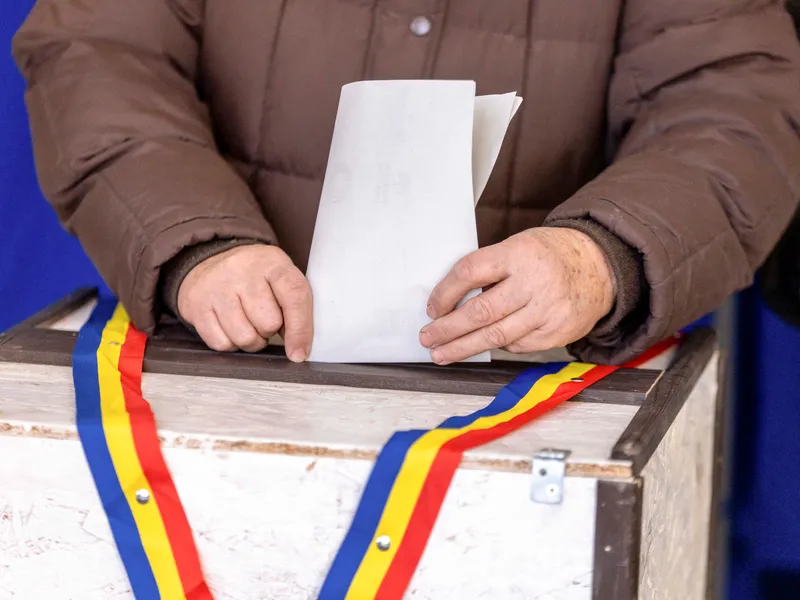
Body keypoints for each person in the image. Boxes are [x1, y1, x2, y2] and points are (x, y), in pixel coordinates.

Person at [12, 0, 800, 365]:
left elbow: (732, 107)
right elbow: (99, 54)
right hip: (226, 356)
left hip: (541, 387)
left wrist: (602, 258)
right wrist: (197, 245)